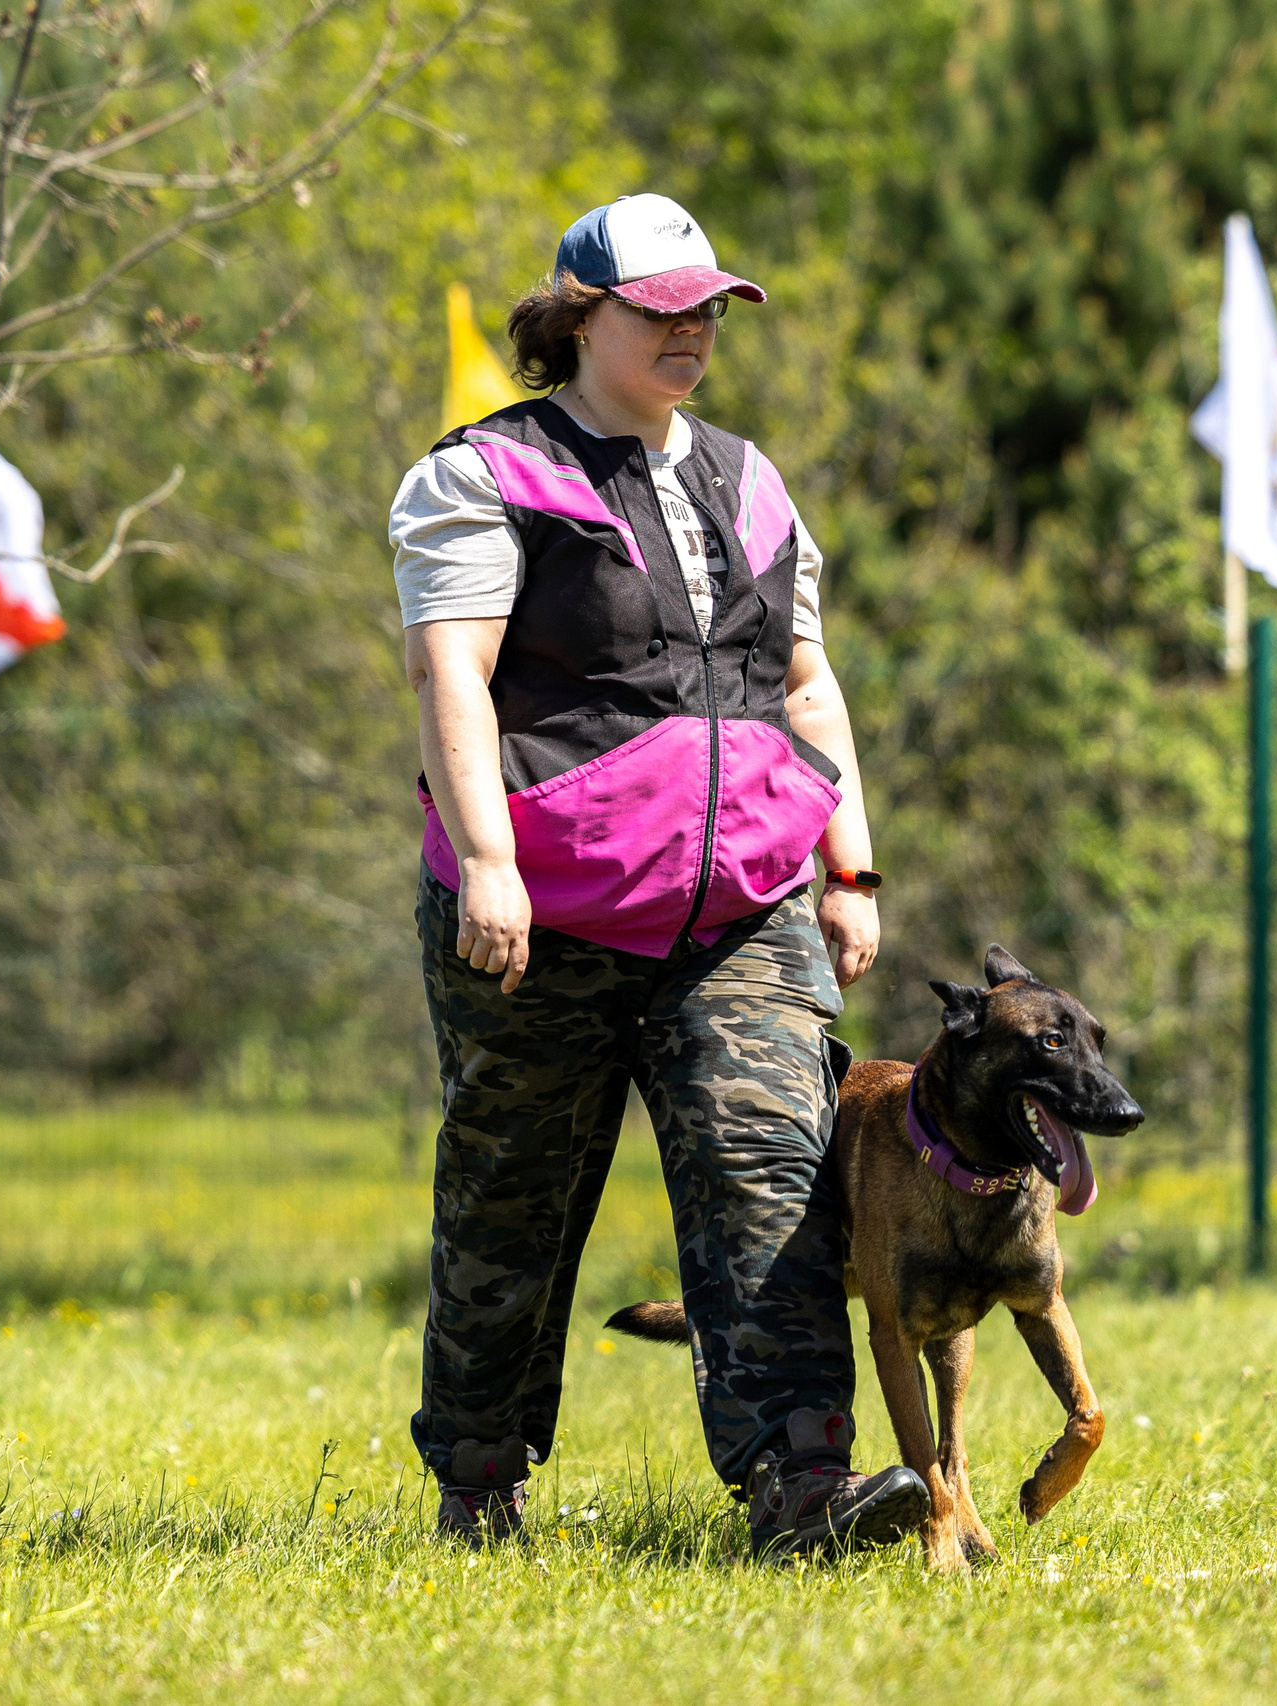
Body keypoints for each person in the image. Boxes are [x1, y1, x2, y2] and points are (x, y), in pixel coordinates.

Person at [388, 194, 928, 1559]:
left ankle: (801, 1487)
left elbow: (805, 682)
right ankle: (479, 1481)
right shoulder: (481, 475)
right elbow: (447, 668)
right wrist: (492, 864)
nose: (693, 332)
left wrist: (846, 863)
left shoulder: (751, 481)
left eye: (708, 310)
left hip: (738, 909)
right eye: (662, 310)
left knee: (777, 1170)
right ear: (581, 317)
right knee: (514, 1197)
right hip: (541, 914)